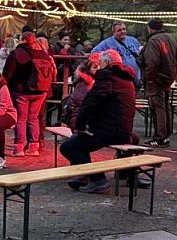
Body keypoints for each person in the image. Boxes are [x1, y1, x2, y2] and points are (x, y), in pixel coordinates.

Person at [60, 50, 136, 193]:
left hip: (108, 131)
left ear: (106, 62)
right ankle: (86, 174)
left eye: (100, 63)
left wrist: (80, 126)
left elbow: (89, 103)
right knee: (79, 141)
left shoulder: (107, 78)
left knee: (68, 147)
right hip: (123, 130)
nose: (99, 67)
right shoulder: (126, 79)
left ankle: (97, 179)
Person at [3, 30, 54, 156]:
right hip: (41, 91)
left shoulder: (17, 53)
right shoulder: (43, 54)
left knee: (21, 118)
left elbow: (7, 74)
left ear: (23, 40)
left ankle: (19, 147)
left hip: (21, 91)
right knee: (33, 117)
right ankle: (34, 147)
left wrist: (4, 87)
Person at [139, 18, 177, 146]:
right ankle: (165, 135)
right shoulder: (171, 38)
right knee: (165, 107)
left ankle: (160, 137)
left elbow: (152, 61)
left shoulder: (153, 41)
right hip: (168, 77)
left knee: (157, 107)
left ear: (150, 28)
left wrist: (149, 78)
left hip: (156, 79)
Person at [91, 22, 142, 87]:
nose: (122, 32)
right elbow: (94, 52)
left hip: (136, 78)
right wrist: (105, 58)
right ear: (114, 32)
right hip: (121, 78)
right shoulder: (107, 43)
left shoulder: (133, 40)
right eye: (119, 30)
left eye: (124, 29)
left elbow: (140, 53)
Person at [61, 60, 97, 130]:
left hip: (84, 118)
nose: (98, 69)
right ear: (87, 69)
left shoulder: (92, 82)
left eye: (99, 67)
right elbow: (83, 102)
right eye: (95, 67)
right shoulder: (83, 83)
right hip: (80, 120)